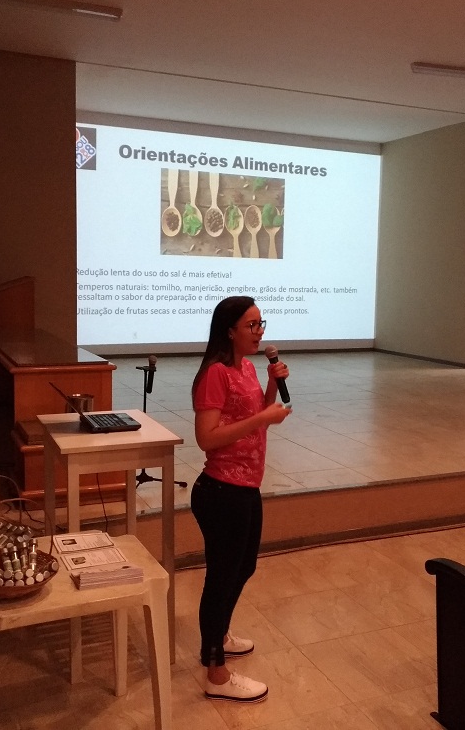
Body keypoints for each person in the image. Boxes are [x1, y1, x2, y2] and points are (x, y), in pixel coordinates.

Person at [190, 296, 292, 702]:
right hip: (221, 490)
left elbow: (253, 419)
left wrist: (271, 387)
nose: (259, 332)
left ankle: (219, 636)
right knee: (221, 577)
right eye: (251, 325)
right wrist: (263, 417)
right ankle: (216, 674)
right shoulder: (215, 374)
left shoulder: (248, 367)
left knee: (243, 567)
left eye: (261, 323)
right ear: (229, 330)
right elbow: (207, 438)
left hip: (247, 485)